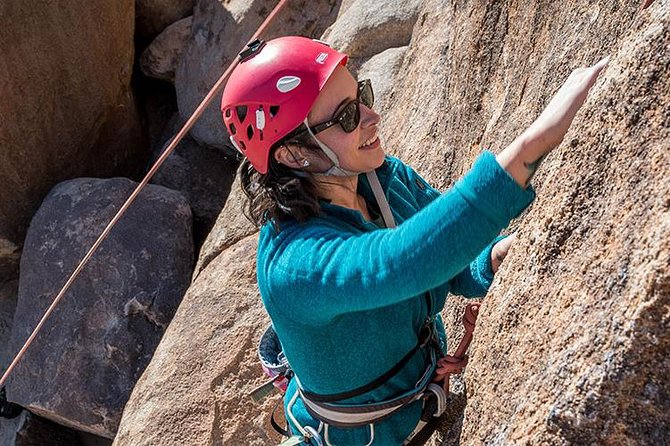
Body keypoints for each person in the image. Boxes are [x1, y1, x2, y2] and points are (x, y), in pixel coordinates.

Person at [221, 36, 608, 446]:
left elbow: (453, 257)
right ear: (294, 155)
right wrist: (537, 140)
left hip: (423, 396)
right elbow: (399, 263)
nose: (372, 117)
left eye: (362, 96)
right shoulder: (294, 266)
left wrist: (494, 256)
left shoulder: (381, 180)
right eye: (347, 116)